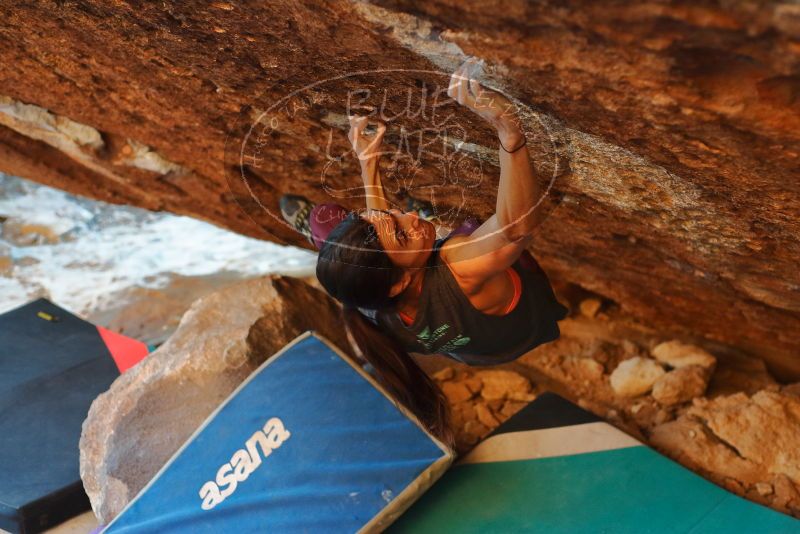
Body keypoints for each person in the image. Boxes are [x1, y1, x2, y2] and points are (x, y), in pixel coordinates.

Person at [280, 59, 568, 445]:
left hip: (475, 346)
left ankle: (320, 238)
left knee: (324, 223)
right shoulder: (460, 265)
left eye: (396, 218)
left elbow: (379, 231)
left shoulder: (369, 304)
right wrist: (509, 132)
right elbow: (516, 226)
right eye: (402, 233)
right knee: (457, 230)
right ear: (399, 282)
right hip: (522, 320)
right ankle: (440, 227)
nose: (409, 216)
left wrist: (369, 165)